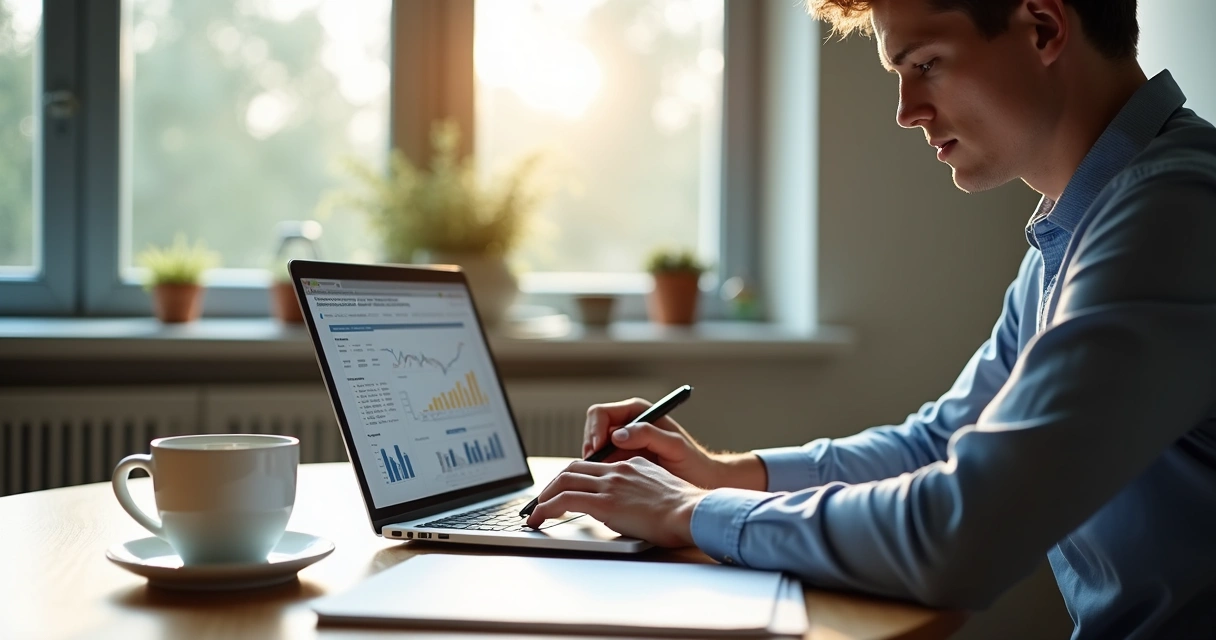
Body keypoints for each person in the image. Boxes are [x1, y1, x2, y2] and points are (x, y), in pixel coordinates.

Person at [523, 0, 1216, 637]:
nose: (907, 110)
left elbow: (962, 533)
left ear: (1042, 26)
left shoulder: (1172, 216)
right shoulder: (1080, 232)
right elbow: (941, 443)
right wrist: (719, 475)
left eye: (926, 65)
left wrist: (686, 513)